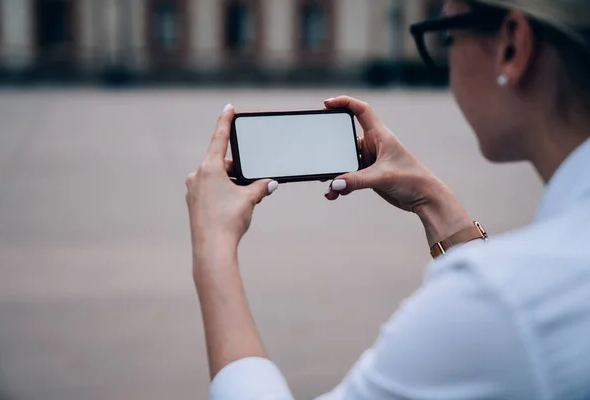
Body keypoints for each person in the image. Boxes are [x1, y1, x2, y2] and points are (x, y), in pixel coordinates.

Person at [185, 0, 590, 398]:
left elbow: (507, 311)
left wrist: (213, 249)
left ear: (512, 47)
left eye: (447, 35)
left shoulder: (499, 304)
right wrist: (432, 200)